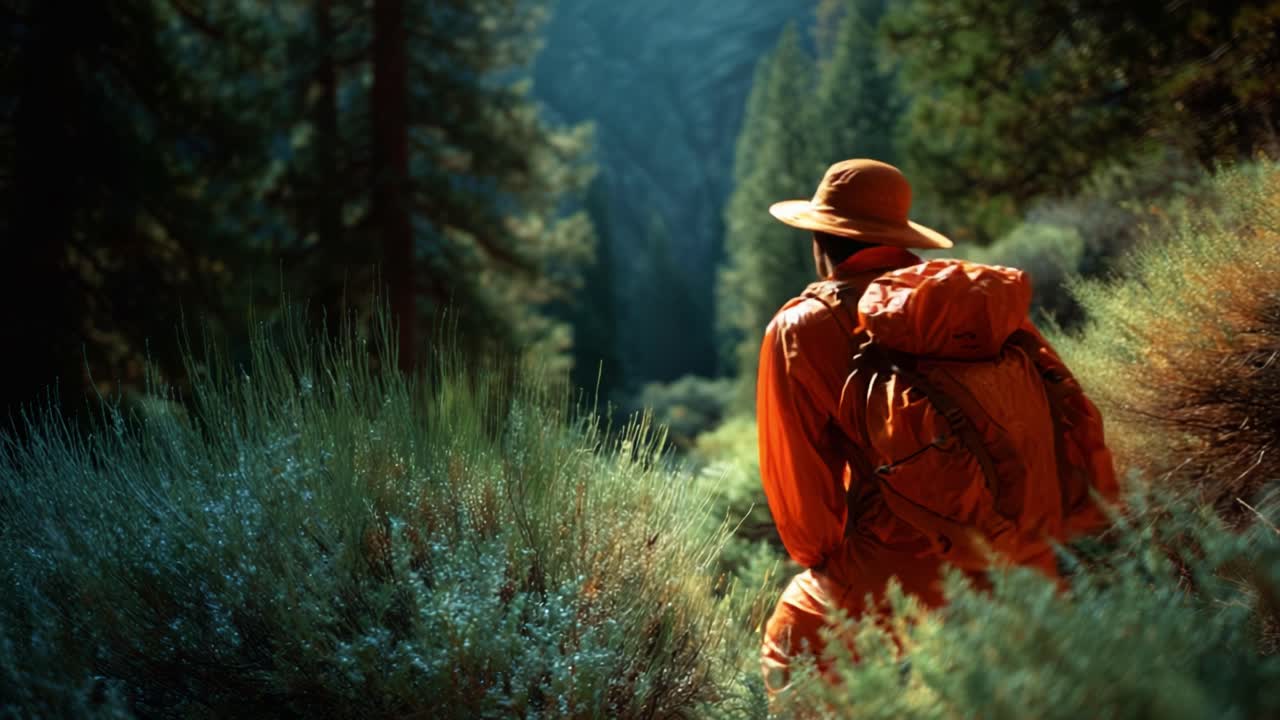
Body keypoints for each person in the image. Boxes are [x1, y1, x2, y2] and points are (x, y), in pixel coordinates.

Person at [755, 159, 1117, 694]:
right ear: (902, 238)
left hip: (898, 574)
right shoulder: (970, 308)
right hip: (1027, 567)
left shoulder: (802, 327)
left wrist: (840, 562)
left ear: (819, 239)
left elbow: (806, 515)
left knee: (790, 652)